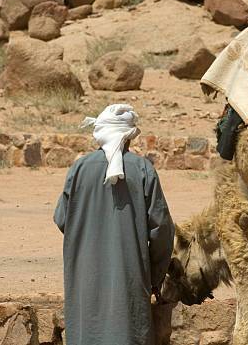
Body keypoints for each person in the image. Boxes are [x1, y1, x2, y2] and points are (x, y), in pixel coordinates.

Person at [54, 104, 175, 345]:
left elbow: (61, 219)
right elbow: (161, 229)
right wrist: (155, 274)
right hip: (130, 275)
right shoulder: (142, 169)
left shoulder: (79, 168)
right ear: (129, 137)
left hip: (84, 277)